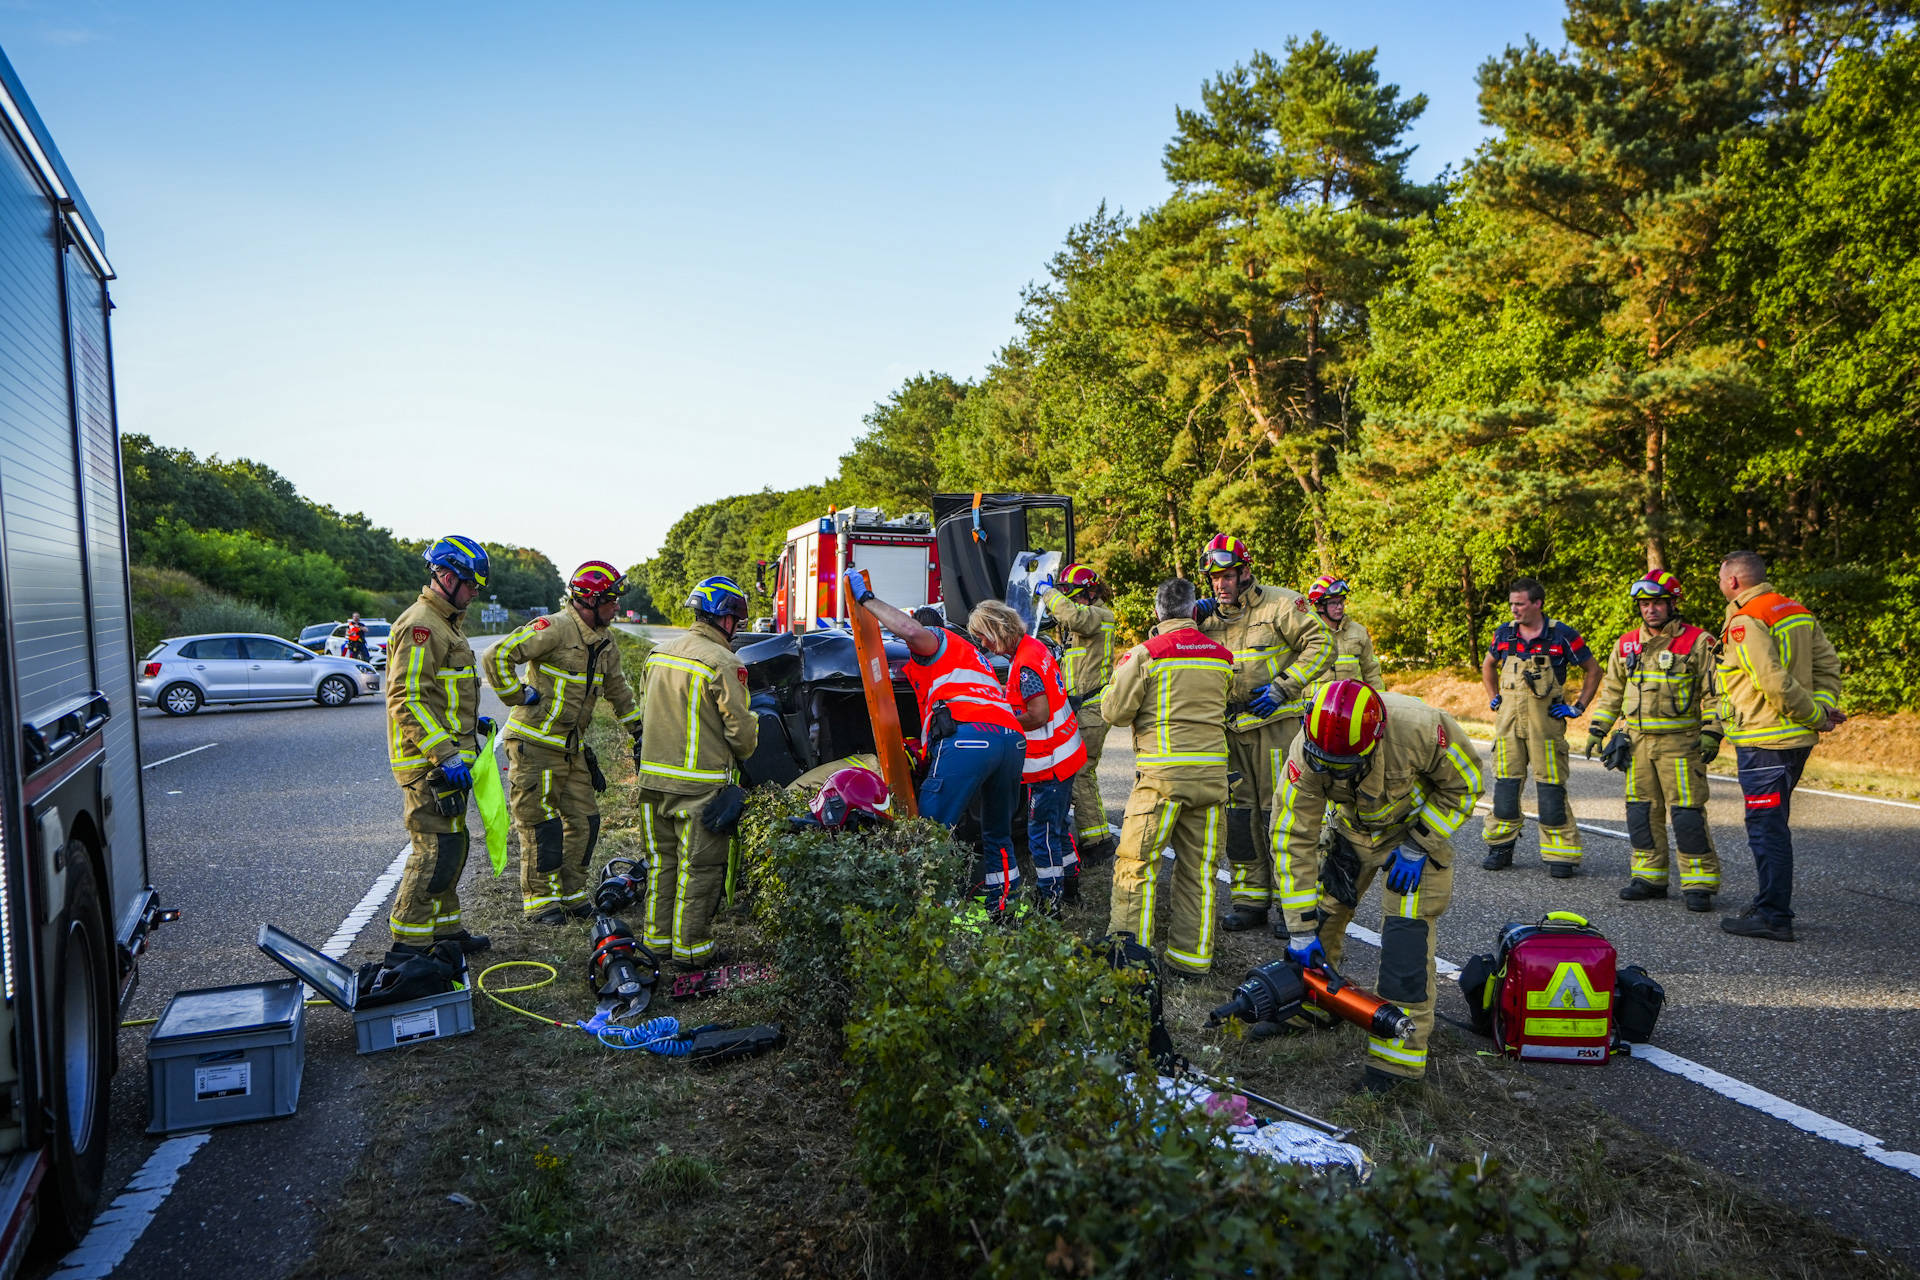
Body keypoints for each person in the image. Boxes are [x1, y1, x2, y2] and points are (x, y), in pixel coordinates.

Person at [1271, 680, 1484, 1090]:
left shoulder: (1422, 728)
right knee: (1319, 918)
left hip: (1413, 836)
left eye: (1343, 766)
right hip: (1351, 832)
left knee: (1405, 940)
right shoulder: (1310, 746)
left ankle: (1397, 1064)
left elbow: (1466, 785)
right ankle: (1316, 1007)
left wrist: (1418, 844)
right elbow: (1292, 834)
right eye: (1326, 764)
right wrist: (1298, 929)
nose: (1332, 772)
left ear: (1374, 740)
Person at [846, 568, 1026, 909]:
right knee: (999, 835)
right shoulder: (974, 656)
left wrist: (867, 600)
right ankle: (1005, 906)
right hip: (1012, 740)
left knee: (927, 834)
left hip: (972, 738)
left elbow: (911, 631)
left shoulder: (934, 640)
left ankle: (929, 913)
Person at [483, 561, 643, 925]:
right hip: (534, 745)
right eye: (611, 600)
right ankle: (540, 902)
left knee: (586, 820)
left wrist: (639, 731)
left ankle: (571, 895)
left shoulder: (605, 642)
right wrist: (517, 695)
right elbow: (496, 656)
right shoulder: (554, 628)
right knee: (541, 825)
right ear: (590, 600)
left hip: (571, 749)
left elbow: (618, 690)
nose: (616, 607)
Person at [1193, 534, 1332, 937]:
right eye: (1215, 578)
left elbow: (1321, 643)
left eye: (1228, 576)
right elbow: (1164, 645)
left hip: (1276, 728)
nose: (1221, 585)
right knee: (1239, 818)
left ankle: (1292, 907)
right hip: (1230, 730)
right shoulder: (1207, 616)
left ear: (1246, 572)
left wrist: (1283, 686)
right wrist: (1187, 617)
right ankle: (1250, 900)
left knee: (1281, 817)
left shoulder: (1281, 604)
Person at [1100, 579, 1233, 976]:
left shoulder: (1145, 654)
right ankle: (1192, 961)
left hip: (1161, 780)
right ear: (1194, 611)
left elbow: (1114, 713)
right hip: (1212, 780)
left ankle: (1131, 960)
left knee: (1136, 865)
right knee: (1201, 873)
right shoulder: (1222, 657)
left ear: (1158, 613)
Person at [1713, 550, 1844, 942]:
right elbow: (1827, 665)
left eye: (1720, 577)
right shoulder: (1795, 610)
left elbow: (1771, 680)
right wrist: (1821, 707)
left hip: (1765, 738)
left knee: (1766, 827)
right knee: (1773, 824)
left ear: (1734, 581)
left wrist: (1815, 716)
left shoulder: (1747, 618)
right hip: (1792, 740)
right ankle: (1769, 902)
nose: (1720, 584)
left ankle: (1773, 915)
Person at [636, 576, 759, 967]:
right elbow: (741, 735)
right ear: (725, 618)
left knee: (662, 864)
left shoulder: (657, 654)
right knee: (700, 869)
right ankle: (691, 951)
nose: (737, 628)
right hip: (699, 786)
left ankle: (655, 943)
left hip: (652, 781)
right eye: (736, 621)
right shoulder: (723, 662)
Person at [1585, 571, 1723, 913]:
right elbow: (1613, 691)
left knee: (1687, 814)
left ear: (1673, 604)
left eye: (1658, 603)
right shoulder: (1626, 643)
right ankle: (1649, 877)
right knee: (1641, 813)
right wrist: (1598, 729)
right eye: (1645, 604)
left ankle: (1699, 882)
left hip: (1682, 744)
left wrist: (1712, 731)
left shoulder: (1697, 642)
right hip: (1637, 743)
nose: (1651, 610)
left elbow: (1717, 692)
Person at [384, 536, 493, 955]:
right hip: (427, 764)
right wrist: (445, 753)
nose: (474, 593)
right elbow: (407, 698)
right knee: (431, 852)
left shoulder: (447, 622)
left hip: (446, 762)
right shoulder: (422, 625)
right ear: (445, 576)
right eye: (470, 584)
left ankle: (446, 932)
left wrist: (472, 722)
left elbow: (441, 692)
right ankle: (408, 947)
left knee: (452, 845)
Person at [967, 600, 1088, 914]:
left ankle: (1051, 899)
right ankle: (1071, 886)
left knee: (1042, 834)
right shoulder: (1033, 647)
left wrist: (1000, 720)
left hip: (1049, 763)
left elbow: (1038, 714)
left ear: (999, 629)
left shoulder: (1025, 665)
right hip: (1065, 754)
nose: (982, 643)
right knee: (1058, 827)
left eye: (984, 636)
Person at [1480, 577, 1601, 878]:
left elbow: (1594, 670)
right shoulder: (1504, 634)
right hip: (1509, 726)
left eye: (1519, 603)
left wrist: (1578, 706)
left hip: (1545, 728)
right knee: (1506, 791)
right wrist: (1493, 697)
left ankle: (1561, 854)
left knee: (1550, 793)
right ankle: (1500, 847)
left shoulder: (1561, 635)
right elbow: (1487, 664)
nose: (1514, 609)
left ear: (1537, 604)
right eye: (1512, 603)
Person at [1037, 564, 1120, 862]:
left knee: (1082, 771)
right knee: (1077, 770)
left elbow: (1073, 616)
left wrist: (1047, 593)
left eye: (1073, 596)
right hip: (1079, 707)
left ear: (1091, 591)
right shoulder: (1081, 620)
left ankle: (1097, 843)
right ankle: (1092, 837)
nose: (1070, 602)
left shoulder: (1100, 616)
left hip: (1092, 708)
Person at [1304, 575, 1383, 691]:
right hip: (1313, 706)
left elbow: (1372, 672)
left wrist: (1378, 702)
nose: (1340, 607)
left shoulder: (1359, 632)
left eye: (1341, 601)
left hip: (1350, 705)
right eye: (1333, 603)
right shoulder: (1305, 633)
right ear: (1320, 606)